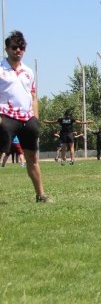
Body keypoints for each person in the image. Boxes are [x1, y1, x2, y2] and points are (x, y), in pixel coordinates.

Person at [0, 31, 50, 202]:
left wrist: (35, 117)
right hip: (6, 117)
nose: (18, 50)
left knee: (33, 159)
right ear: (7, 49)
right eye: (14, 47)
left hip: (27, 119)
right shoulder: (1, 69)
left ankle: (41, 195)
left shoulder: (28, 71)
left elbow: (34, 95)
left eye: (22, 47)